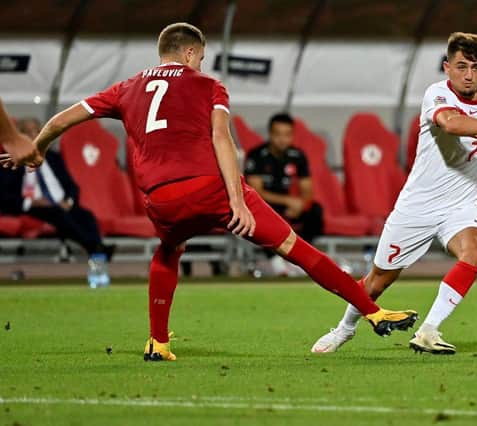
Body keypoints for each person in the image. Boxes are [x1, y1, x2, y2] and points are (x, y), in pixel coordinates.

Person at [0, 22, 417, 361]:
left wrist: (35, 150)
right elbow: (222, 139)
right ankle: (374, 311)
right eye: (199, 56)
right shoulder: (207, 86)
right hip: (211, 190)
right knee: (295, 246)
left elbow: (62, 119)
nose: (200, 63)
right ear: (188, 54)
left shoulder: (125, 88)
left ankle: (158, 343)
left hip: (160, 199)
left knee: (167, 252)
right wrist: (237, 199)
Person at [311, 32, 477, 354]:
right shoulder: (436, 95)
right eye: (461, 67)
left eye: (476, 67)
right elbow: (453, 125)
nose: (469, 75)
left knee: (474, 249)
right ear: (447, 67)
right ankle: (344, 329)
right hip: (417, 206)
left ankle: (429, 330)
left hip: (461, 203)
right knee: (378, 281)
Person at [0, 118, 113, 282]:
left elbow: (71, 186)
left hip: (62, 204)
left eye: (36, 131)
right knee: (56, 213)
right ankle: (96, 250)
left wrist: (70, 201)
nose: (33, 136)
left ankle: (96, 251)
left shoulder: (53, 157)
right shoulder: (11, 160)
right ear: (19, 136)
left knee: (86, 215)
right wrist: (31, 202)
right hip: (31, 206)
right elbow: (4, 195)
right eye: (27, 133)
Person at [245, 113, 324, 275]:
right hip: (264, 205)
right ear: (270, 134)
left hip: (288, 207)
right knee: (257, 214)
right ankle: (275, 261)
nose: (282, 139)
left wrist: (300, 204)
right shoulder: (256, 156)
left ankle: (298, 258)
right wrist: (288, 201)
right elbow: (255, 192)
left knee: (315, 211)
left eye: (287, 135)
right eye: (278, 134)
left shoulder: (297, 156)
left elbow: (307, 190)